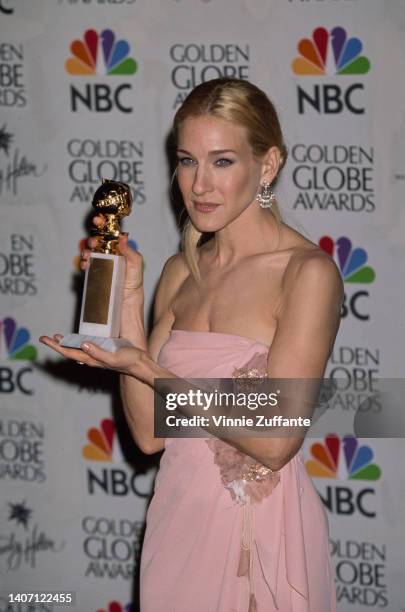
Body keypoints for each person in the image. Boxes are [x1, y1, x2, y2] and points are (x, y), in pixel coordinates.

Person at [40, 78, 343, 612]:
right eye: (186, 161)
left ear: (267, 165)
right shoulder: (180, 271)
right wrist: (130, 302)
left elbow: (276, 442)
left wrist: (148, 369)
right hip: (177, 523)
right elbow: (148, 435)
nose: (199, 185)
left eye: (222, 162)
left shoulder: (306, 273)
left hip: (256, 537)